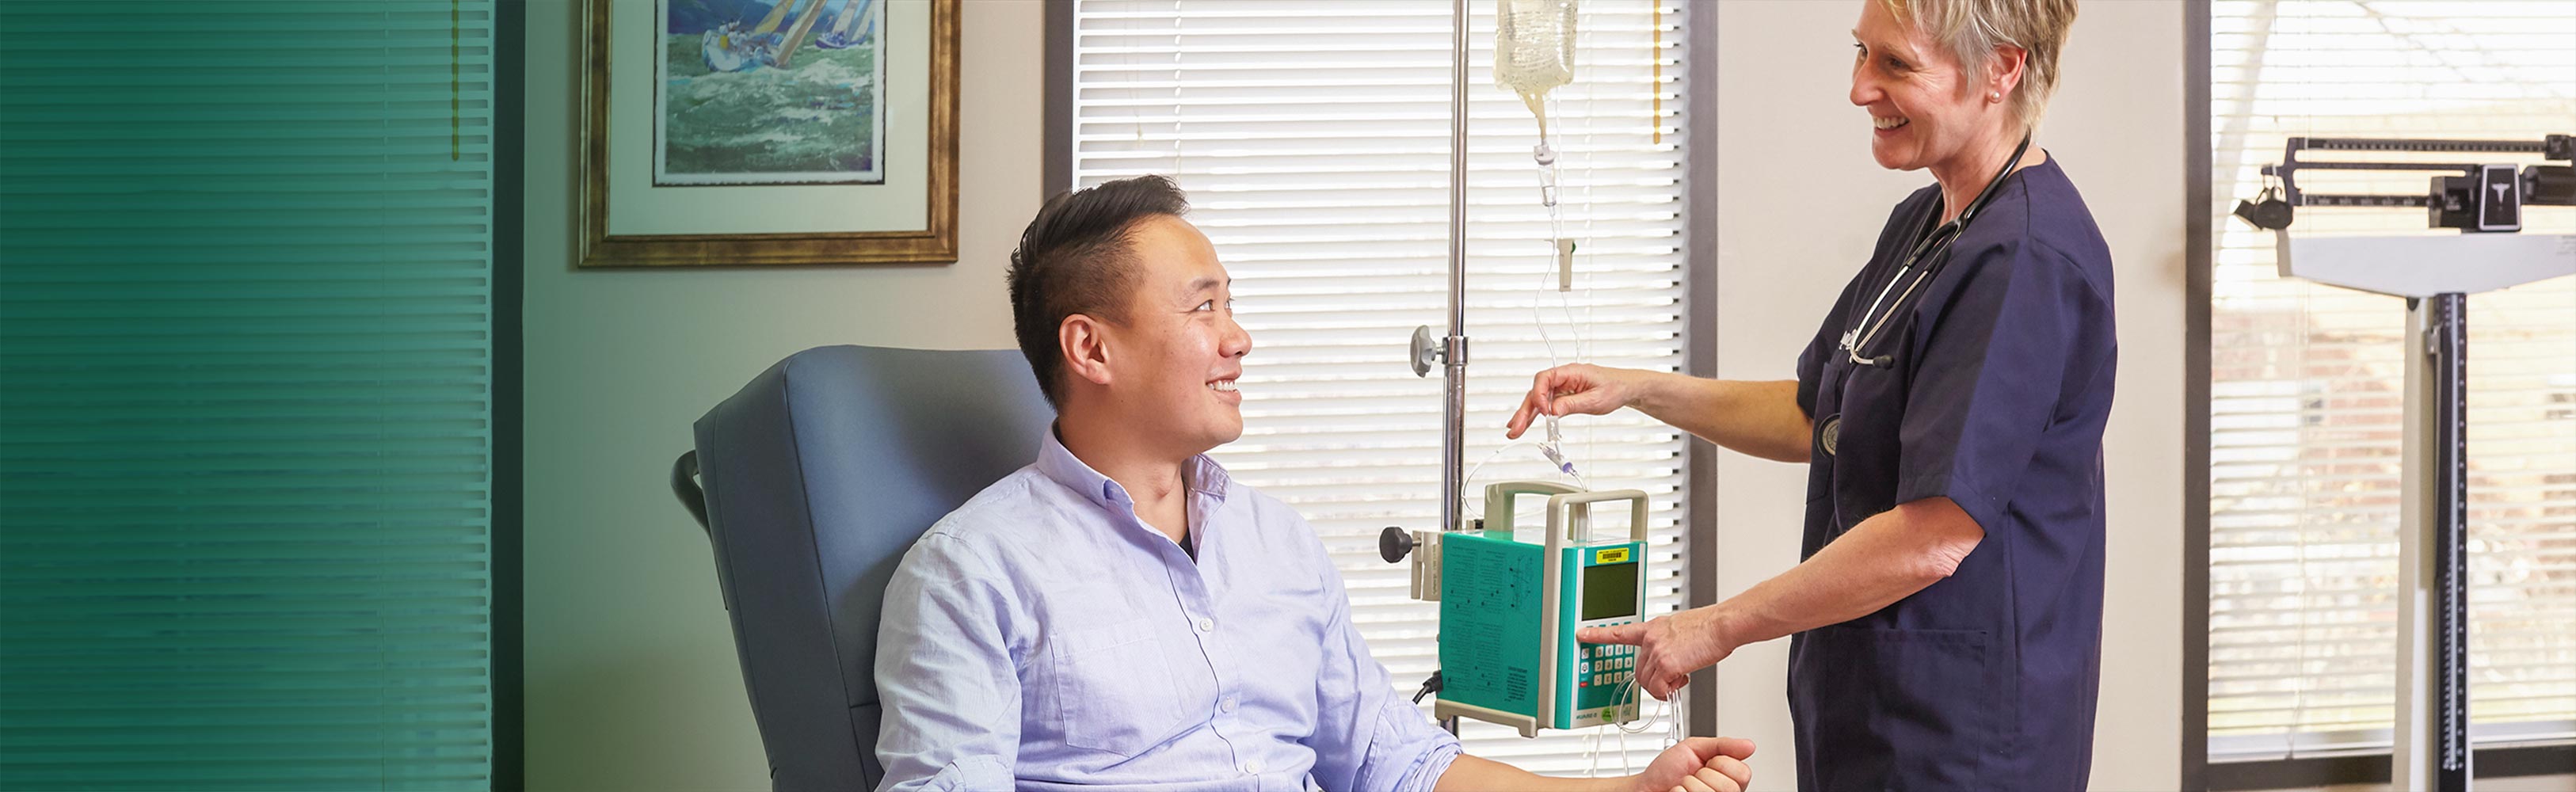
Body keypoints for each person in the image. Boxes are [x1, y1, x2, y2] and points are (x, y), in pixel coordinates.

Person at [874, 175, 1758, 792]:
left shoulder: (1274, 542)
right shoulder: (971, 572)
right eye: (1204, 307)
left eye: (1232, 303)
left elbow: (1397, 764)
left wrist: (1629, 789)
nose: (1240, 337)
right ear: (1090, 347)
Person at [1504, 1, 2110, 790]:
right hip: (1873, 712)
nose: (1860, 88)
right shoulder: (1928, 223)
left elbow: (1934, 534)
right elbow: (1814, 412)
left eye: (1895, 64)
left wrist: (1714, 627)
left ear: (2001, 69)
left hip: (1964, 737)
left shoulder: (2026, 262)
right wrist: (1636, 389)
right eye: (1862, 53)